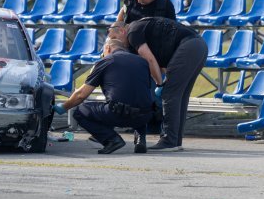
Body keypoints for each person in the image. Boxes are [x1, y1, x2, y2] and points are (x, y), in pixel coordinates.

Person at [112, 17, 208, 151]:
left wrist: (160, 84)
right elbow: (159, 62)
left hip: (188, 46)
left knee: (170, 94)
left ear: (122, 30)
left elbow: (150, 60)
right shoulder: (139, 28)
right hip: (198, 45)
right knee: (180, 95)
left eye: (115, 37)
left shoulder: (132, 33)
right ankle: (176, 140)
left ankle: (169, 140)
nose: (117, 43)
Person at [53, 38, 155, 154]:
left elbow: (81, 95)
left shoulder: (106, 61)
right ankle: (141, 140)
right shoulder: (142, 61)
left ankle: (112, 139)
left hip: (118, 114)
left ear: (108, 48)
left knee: (81, 111)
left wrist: (65, 106)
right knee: (139, 100)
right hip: (145, 116)